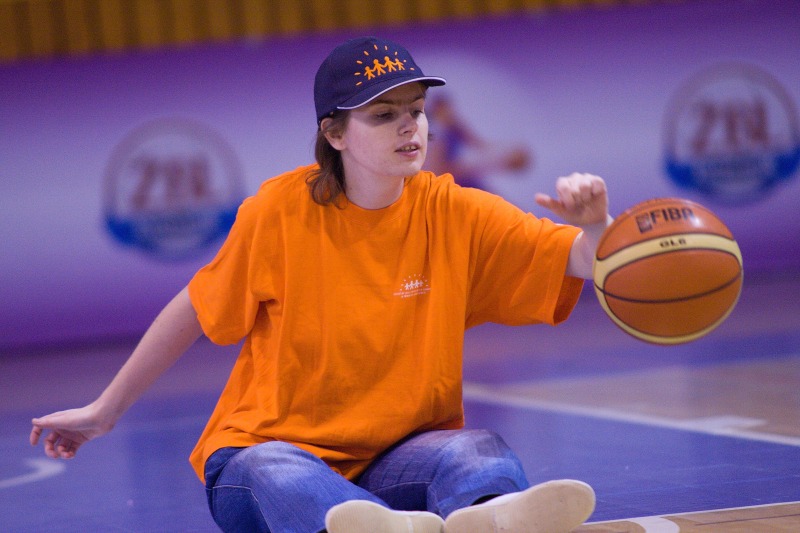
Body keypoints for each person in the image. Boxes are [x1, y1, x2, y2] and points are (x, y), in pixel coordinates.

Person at [30, 36, 611, 533]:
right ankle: (375, 522)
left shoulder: (456, 211)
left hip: (395, 460)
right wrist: (104, 411)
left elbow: (584, 259)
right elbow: (194, 308)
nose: (409, 125)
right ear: (334, 134)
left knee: (475, 450)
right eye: (382, 115)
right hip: (264, 458)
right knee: (275, 470)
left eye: (416, 109)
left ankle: (487, 515)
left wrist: (595, 224)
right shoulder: (278, 212)